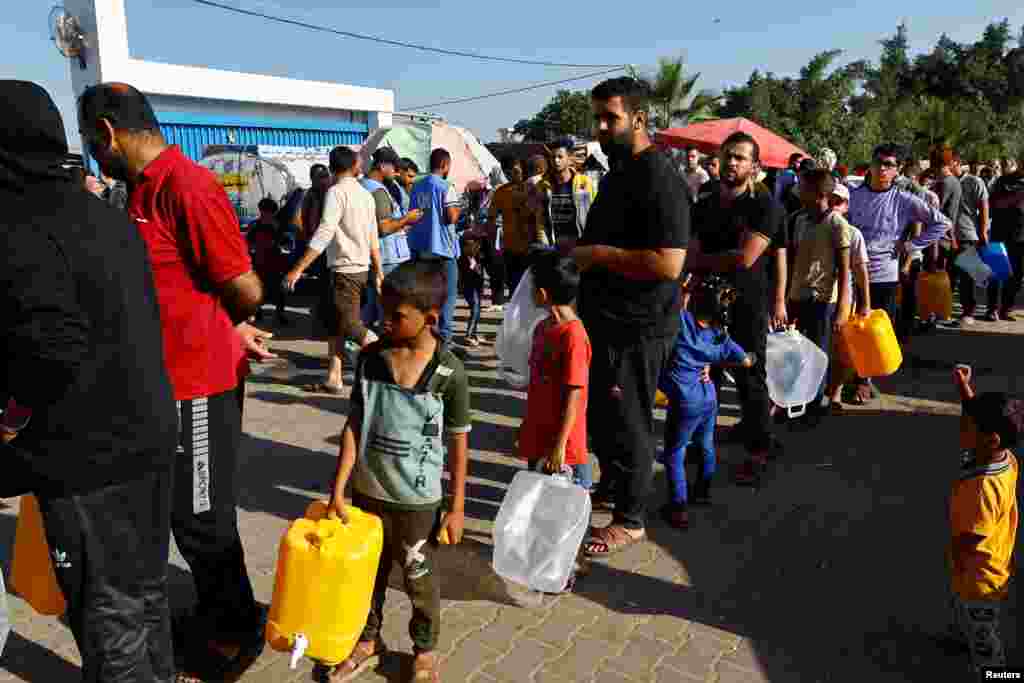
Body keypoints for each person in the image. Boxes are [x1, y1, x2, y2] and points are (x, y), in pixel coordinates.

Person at [77, 81, 272, 681]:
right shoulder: (140, 189)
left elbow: (245, 287)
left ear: (107, 134)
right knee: (179, 513)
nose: (91, 154)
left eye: (91, 142)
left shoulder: (187, 186)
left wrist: (222, 327)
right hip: (162, 386)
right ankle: (215, 614)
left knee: (203, 517)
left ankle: (238, 634)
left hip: (199, 388)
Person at [2, 79, 177, 683]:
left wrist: (10, 425)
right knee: (145, 596)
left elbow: (53, 350)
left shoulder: (19, 224)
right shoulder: (106, 215)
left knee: (110, 615)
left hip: (89, 460)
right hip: (150, 437)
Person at [324, 260, 470, 683]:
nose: (383, 322)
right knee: (365, 575)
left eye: (396, 316)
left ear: (430, 319)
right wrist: (339, 490)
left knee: (419, 579)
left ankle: (424, 651)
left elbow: (459, 443)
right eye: (381, 311)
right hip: (368, 496)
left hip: (419, 504)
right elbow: (354, 424)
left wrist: (457, 507)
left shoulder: (449, 373)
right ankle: (368, 642)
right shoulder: (370, 361)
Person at [569, 77, 688, 556]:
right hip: (607, 319)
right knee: (605, 416)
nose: (601, 127)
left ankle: (631, 518)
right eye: (597, 117)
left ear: (638, 119)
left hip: (641, 325)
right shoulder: (618, 171)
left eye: (610, 118)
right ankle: (616, 488)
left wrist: (597, 254)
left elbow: (669, 262)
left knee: (631, 419)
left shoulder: (658, 176)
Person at [688, 132, 785, 486]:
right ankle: (701, 443)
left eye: (740, 158)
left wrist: (708, 261)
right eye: (728, 155)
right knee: (704, 376)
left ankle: (758, 451)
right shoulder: (704, 205)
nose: (732, 162)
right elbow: (692, 255)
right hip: (705, 303)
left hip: (747, 305)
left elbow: (746, 259)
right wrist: (715, 262)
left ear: (755, 167)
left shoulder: (765, 207)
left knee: (749, 379)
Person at [657, 277, 754, 530]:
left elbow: (674, 308)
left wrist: (684, 289)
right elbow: (745, 361)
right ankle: (702, 491)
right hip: (709, 395)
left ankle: (678, 508)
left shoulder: (682, 324)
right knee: (706, 444)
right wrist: (714, 361)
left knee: (674, 453)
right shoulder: (720, 337)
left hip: (685, 400)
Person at [284, 146, 382, 394]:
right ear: (354, 166)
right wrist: (378, 271)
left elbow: (325, 231)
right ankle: (334, 377)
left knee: (350, 325)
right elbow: (373, 237)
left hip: (344, 270)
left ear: (331, 168)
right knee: (334, 324)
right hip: (358, 269)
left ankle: (391, 357)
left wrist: (297, 268)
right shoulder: (365, 195)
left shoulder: (336, 193)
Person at [946, 365, 1019, 676]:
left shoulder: (982, 488)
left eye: (967, 426)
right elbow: (979, 417)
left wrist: (956, 555)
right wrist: (965, 388)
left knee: (985, 638)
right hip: (989, 566)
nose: (961, 429)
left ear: (990, 439)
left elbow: (972, 538)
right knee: (973, 619)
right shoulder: (1002, 457)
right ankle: (968, 634)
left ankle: (996, 673)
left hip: (979, 578)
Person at [517, 251, 593, 490]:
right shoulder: (542, 329)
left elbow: (575, 393)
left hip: (563, 445)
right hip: (539, 435)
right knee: (538, 501)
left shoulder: (573, 336)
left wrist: (560, 445)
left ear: (542, 294)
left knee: (566, 509)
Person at [787, 169, 852, 415]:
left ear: (819, 194)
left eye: (803, 188)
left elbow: (845, 271)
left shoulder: (837, 224)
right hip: (796, 296)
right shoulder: (799, 220)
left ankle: (814, 406)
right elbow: (793, 260)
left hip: (822, 301)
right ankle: (794, 401)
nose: (798, 192)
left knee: (817, 354)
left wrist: (842, 309)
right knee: (794, 352)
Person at [359, 147, 424, 330]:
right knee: (388, 311)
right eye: (394, 167)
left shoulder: (363, 185)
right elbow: (384, 227)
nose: (396, 172)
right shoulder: (378, 191)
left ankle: (355, 345)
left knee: (372, 307)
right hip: (388, 258)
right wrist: (407, 219)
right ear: (382, 166)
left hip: (375, 256)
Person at [407, 148, 462, 345]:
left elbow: (414, 214)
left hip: (419, 248)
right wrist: (459, 209)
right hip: (442, 251)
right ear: (445, 165)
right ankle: (444, 342)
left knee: (425, 298)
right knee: (448, 297)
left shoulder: (417, 186)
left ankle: (423, 340)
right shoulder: (446, 187)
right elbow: (451, 217)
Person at [824, 183, 871, 411]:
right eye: (830, 199)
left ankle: (835, 395)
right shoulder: (810, 225)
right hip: (815, 298)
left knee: (841, 351)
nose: (834, 205)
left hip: (842, 300)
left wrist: (865, 304)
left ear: (846, 206)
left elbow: (861, 273)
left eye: (839, 202)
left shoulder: (854, 234)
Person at [488, 156, 544, 296]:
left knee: (533, 290)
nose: (511, 174)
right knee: (515, 290)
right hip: (510, 249)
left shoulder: (535, 188)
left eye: (514, 170)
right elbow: (491, 218)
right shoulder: (501, 192)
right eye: (507, 172)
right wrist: (493, 242)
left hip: (532, 247)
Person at [985, 159, 1024, 321]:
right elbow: (992, 205)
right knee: (995, 273)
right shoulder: (1002, 181)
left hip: (1020, 237)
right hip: (999, 234)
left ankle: (1006, 309)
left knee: (1016, 276)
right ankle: (992, 309)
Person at [538, 138, 596, 247]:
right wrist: (544, 244)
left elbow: (595, 213)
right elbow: (540, 219)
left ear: (569, 158)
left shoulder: (584, 183)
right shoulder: (543, 186)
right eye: (553, 157)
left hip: (581, 245)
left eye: (560, 157)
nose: (556, 161)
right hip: (555, 247)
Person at [246, 197, 291, 325]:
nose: (266, 215)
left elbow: (287, 245)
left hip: (276, 263)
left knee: (279, 290)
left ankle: (280, 313)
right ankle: (257, 310)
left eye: (270, 213)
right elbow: (248, 243)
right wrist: (253, 249)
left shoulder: (280, 226)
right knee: (258, 288)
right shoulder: (254, 225)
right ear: (261, 211)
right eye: (264, 212)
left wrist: (279, 246)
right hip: (259, 262)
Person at [458, 233, 485, 346]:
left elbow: (480, 271)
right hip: (469, 287)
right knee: (475, 309)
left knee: (477, 310)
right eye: (469, 245)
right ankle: (468, 335)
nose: (474, 247)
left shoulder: (477, 256)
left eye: (474, 245)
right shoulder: (463, 259)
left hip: (477, 286)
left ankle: (473, 334)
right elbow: (465, 275)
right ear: (464, 247)